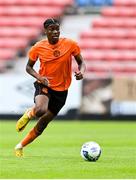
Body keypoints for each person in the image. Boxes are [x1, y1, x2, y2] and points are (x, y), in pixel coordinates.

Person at [15, 18, 86, 157]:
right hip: (45, 83)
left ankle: (20, 146)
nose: (55, 32)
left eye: (57, 29)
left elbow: (81, 63)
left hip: (62, 90)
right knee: (41, 110)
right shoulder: (38, 47)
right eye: (52, 29)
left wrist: (81, 72)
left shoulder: (70, 44)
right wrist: (39, 77)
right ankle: (29, 113)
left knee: (42, 124)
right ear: (45, 31)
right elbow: (28, 67)